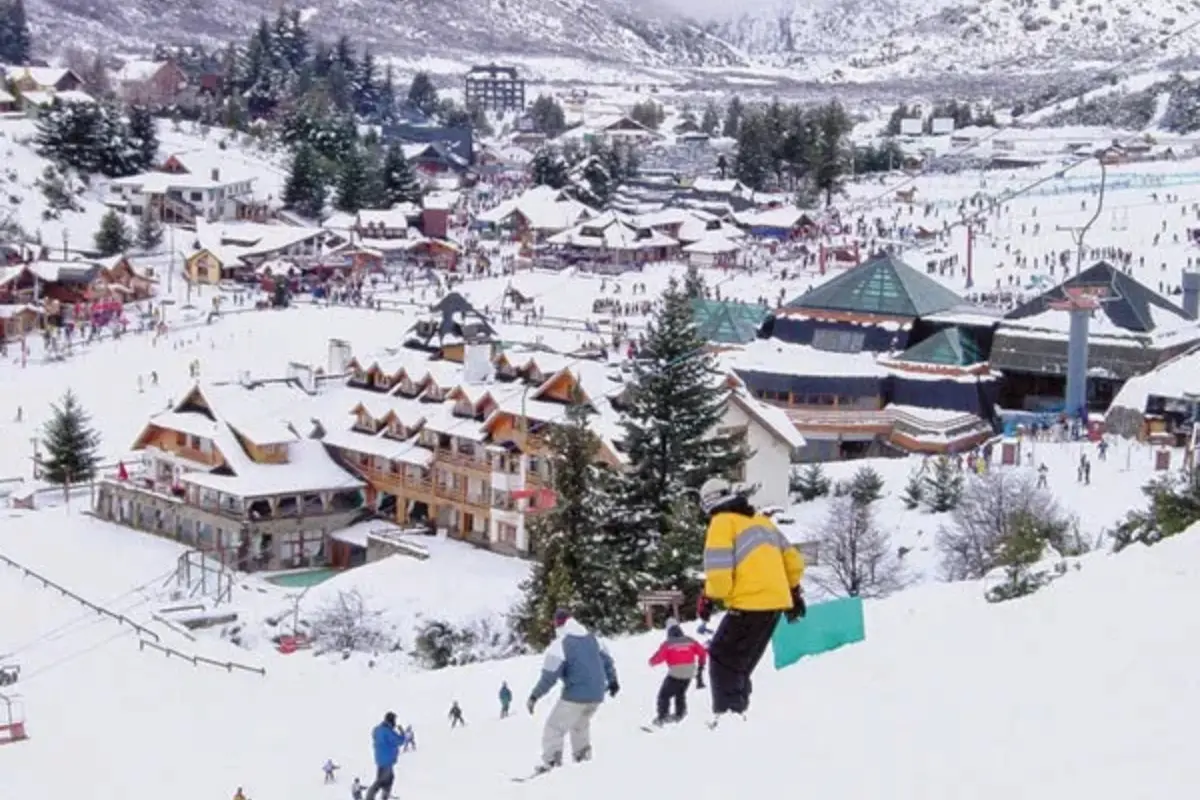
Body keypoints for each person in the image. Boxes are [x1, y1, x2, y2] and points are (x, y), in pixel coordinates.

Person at [696, 478, 805, 727]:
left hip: (749, 605)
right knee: (740, 664)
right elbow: (794, 562)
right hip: (774, 606)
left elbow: (719, 569)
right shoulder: (762, 522)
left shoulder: (722, 521)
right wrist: (794, 593)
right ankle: (739, 716)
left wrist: (710, 596)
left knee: (723, 659)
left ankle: (728, 720)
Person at [527, 608, 619, 773]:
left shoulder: (560, 644)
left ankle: (551, 761)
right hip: (596, 695)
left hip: (576, 695)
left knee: (554, 726)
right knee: (580, 725)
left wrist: (534, 695)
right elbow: (607, 661)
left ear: (558, 625)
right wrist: (613, 681)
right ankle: (583, 758)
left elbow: (549, 676)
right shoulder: (593, 639)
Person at [648, 622, 707, 725]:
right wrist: (701, 665)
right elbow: (702, 652)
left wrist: (651, 662)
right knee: (680, 693)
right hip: (689, 672)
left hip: (675, 673)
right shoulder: (690, 640)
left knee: (664, 695)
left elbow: (659, 657)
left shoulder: (668, 643)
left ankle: (662, 716)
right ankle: (680, 713)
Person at [364, 711, 406, 800]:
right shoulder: (388, 731)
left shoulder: (378, 729)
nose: (395, 722)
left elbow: (375, 736)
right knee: (382, 780)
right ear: (391, 720)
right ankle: (370, 796)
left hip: (380, 758)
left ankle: (383, 796)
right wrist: (402, 732)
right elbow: (400, 741)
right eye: (394, 720)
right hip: (387, 760)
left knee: (389, 778)